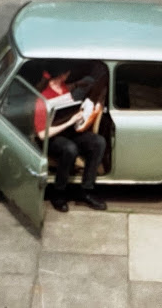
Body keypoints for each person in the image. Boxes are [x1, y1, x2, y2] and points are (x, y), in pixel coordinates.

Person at [33, 64, 107, 212]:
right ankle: (59, 192)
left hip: (69, 131)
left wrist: (84, 115)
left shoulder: (64, 88)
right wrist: (70, 121)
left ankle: (86, 190)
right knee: (69, 149)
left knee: (98, 142)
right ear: (63, 75)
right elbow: (42, 134)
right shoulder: (42, 99)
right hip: (53, 138)